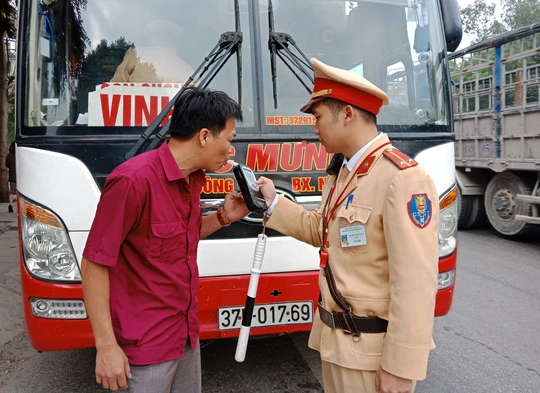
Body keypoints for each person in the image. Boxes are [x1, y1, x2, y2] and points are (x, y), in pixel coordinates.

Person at [256, 58, 439, 393]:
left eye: (318, 116)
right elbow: (321, 230)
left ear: (348, 114)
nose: (314, 127)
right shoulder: (344, 173)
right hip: (338, 346)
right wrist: (272, 203)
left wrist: (400, 368)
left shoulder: (403, 178)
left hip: (372, 357)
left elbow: (416, 283)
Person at [81, 87, 250, 393]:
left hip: (184, 335)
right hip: (143, 347)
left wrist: (224, 217)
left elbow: (176, 238)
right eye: (230, 139)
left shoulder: (192, 179)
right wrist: (106, 347)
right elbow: (94, 264)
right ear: (203, 136)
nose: (231, 150)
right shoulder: (133, 181)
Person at [5, 142, 16, 213]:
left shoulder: (9, 155)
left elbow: (6, 165)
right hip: (20, 175)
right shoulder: (19, 155)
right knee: (20, 192)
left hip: (12, 175)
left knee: (12, 191)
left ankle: (10, 205)